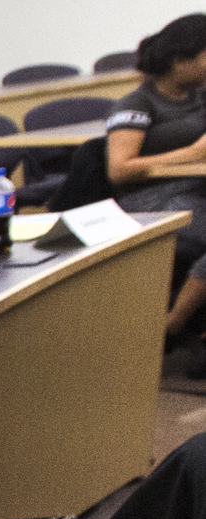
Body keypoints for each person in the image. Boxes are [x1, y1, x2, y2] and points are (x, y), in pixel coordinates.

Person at [108, 14, 206, 346]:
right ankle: (173, 325)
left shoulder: (198, 95)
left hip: (194, 191)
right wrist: (191, 154)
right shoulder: (137, 103)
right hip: (152, 203)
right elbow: (119, 169)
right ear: (181, 61)